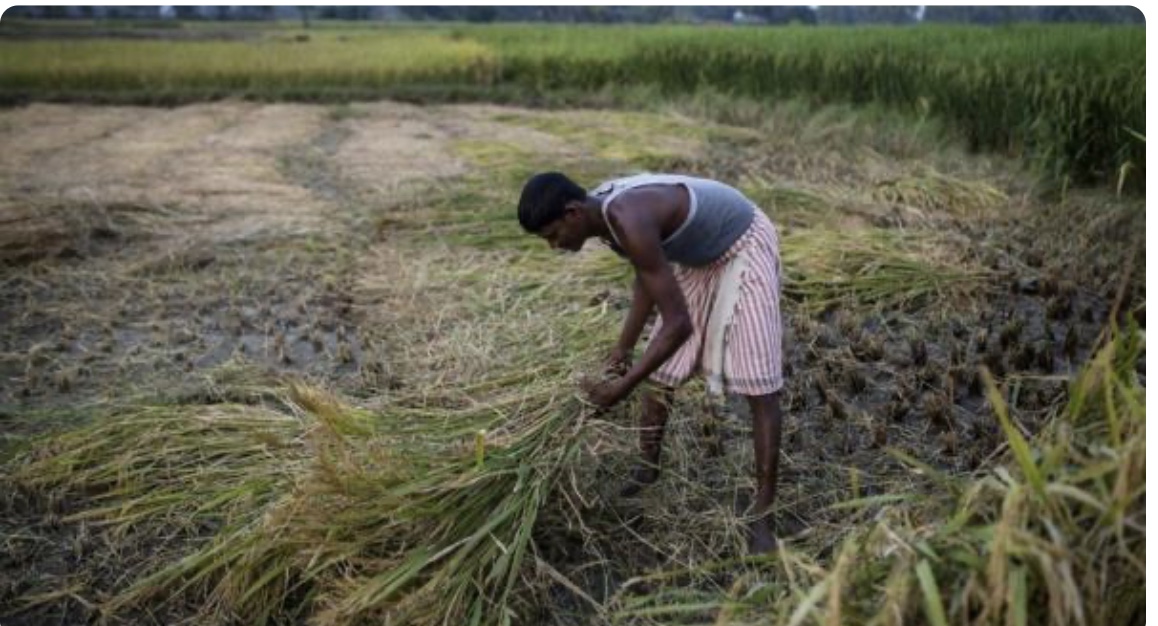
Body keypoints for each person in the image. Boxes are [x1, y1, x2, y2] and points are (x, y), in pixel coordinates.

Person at [516, 171, 785, 554]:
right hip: (698, 254)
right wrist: (622, 351)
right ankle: (648, 468)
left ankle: (763, 514)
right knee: (660, 376)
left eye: (552, 236)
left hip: (742, 241)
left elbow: (678, 325)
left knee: (760, 386)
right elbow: (646, 279)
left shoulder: (628, 216)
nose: (553, 246)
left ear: (573, 212)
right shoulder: (606, 218)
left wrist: (619, 390)